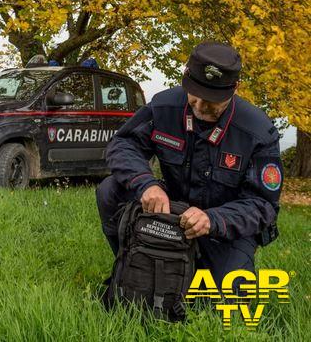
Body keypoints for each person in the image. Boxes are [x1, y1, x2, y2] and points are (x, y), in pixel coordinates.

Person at [96, 41, 283, 289]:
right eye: (195, 98)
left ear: (235, 88)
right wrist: (147, 185)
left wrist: (213, 219)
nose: (201, 108)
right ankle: (134, 260)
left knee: (227, 300)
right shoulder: (163, 107)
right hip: (171, 212)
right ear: (185, 77)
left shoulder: (258, 132)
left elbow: (263, 205)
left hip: (222, 228)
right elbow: (123, 145)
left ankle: (196, 269)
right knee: (110, 190)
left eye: (212, 101)